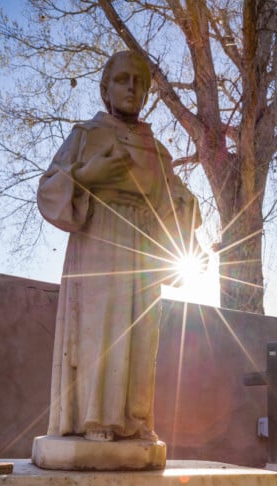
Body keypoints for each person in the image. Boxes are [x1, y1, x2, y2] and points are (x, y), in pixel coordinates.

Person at [37, 51, 200, 443]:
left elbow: (176, 204)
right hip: (99, 238)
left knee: (142, 334)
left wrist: (185, 210)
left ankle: (134, 418)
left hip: (143, 246)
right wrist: (87, 175)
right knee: (103, 329)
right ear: (105, 87)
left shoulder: (158, 152)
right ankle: (98, 420)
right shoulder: (86, 135)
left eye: (139, 82)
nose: (132, 87)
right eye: (123, 79)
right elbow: (48, 191)